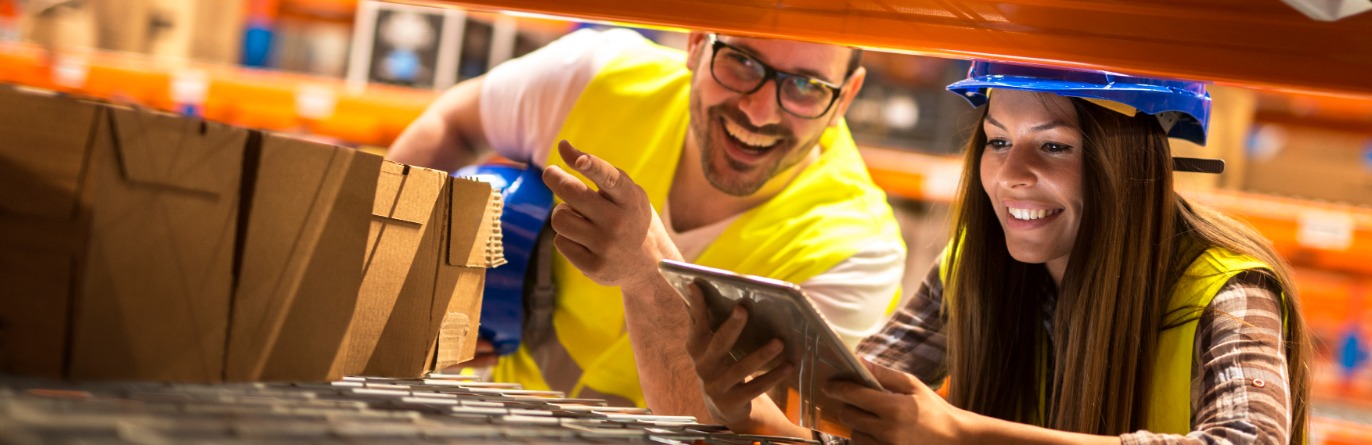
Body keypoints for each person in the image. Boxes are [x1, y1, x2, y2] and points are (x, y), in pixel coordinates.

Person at [686, 60, 1312, 445]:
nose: (1010, 175)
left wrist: (963, 436)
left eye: (1055, 147)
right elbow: (867, 406)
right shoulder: (971, 267)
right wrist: (750, 410)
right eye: (996, 140)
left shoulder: (1226, 293)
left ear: (1130, 163)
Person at [385, 28, 907, 415]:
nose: (763, 110)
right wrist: (394, 290)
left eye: (806, 86)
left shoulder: (856, 250)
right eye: (743, 63)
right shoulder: (594, 77)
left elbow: (748, 431)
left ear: (848, 96)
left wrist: (645, 271)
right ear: (698, 44)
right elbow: (449, 122)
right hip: (487, 416)